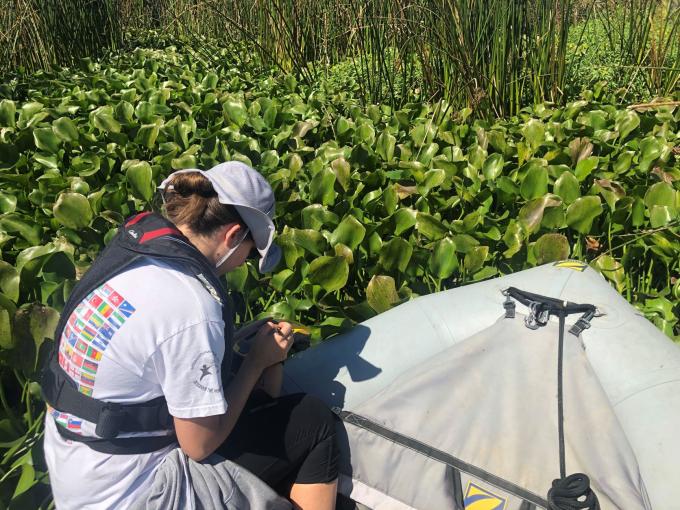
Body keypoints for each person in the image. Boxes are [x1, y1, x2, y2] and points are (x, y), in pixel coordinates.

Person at [42, 162, 339, 509]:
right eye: (249, 253)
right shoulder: (193, 305)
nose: (243, 262)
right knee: (313, 419)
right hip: (134, 493)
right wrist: (256, 363)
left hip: (76, 470)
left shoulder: (132, 254)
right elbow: (198, 446)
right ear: (232, 236)